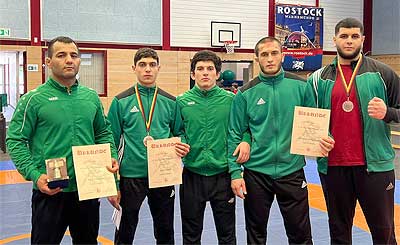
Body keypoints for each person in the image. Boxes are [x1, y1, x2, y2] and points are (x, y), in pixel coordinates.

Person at [6, 36, 119, 244]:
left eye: (74, 55)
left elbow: (103, 132)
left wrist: (111, 154)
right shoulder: (33, 99)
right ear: (48, 62)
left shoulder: (91, 97)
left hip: (87, 190)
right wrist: (34, 175)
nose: (69, 60)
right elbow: (15, 140)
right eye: (61, 55)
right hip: (50, 191)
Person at [228, 37, 332, 245]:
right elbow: (235, 133)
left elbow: (315, 121)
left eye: (274, 53)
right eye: (264, 54)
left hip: (291, 170)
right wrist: (234, 172)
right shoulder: (245, 93)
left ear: (282, 56)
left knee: (300, 235)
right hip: (257, 173)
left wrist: (325, 138)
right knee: (255, 235)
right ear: (257, 58)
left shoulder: (302, 86)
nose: (269, 58)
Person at [305, 18, 399, 244]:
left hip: (375, 168)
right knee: (339, 233)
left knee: (384, 233)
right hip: (333, 168)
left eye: (354, 36)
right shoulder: (317, 79)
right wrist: (318, 137)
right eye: (344, 36)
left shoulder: (383, 73)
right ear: (334, 39)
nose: (349, 41)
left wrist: (387, 112)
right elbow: (307, 120)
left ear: (363, 39)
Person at [107, 47, 190, 244]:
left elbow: (180, 133)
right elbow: (110, 140)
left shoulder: (171, 101)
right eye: (142, 65)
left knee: (165, 230)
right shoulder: (120, 101)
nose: (147, 69)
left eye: (152, 65)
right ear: (134, 68)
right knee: (125, 229)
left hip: (163, 175)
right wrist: (113, 182)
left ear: (159, 68)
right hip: (131, 176)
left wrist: (182, 145)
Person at [176, 50, 250, 245]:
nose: (205, 73)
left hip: (223, 177)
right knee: (190, 236)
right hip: (192, 175)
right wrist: (180, 140)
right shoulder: (181, 101)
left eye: (210, 69)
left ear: (218, 74)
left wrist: (246, 140)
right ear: (193, 74)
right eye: (200, 69)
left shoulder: (231, 100)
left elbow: (244, 129)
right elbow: (177, 130)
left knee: (227, 235)